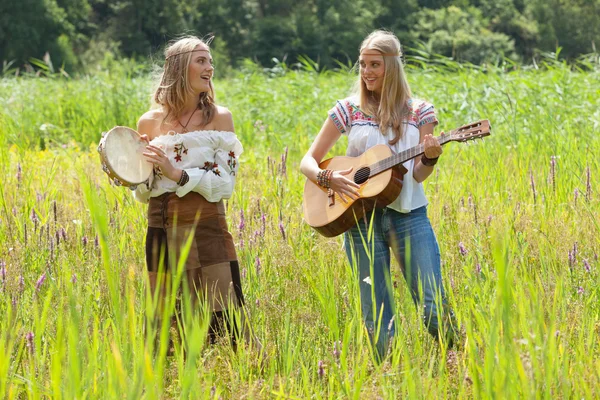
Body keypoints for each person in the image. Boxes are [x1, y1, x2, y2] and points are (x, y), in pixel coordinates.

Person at [300, 30, 456, 359]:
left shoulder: (421, 112)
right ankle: (387, 376)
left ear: (393, 68)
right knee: (376, 311)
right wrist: (328, 178)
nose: (367, 72)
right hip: (358, 220)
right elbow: (307, 161)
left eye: (375, 65)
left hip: (409, 216)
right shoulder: (348, 110)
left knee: (432, 304)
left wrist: (430, 156)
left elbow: (417, 174)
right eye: (362, 65)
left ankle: (459, 361)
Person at [133, 36, 245, 346]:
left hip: (207, 228)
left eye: (210, 60)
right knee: (165, 323)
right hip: (160, 229)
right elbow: (144, 191)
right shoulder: (149, 122)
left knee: (224, 324)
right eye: (201, 60)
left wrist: (177, 174)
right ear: (180, 67)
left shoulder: (219, 118)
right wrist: (132, 175)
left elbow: (226, 183)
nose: (210, 67)